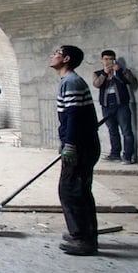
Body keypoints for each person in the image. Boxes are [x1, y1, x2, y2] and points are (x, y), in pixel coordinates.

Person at [49, 45, 101, 255]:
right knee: (79, 191)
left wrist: (70, 145)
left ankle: (83, 239)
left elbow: (74, 116)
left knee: (71, 191)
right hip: (83, 144)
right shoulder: (70, 81)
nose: (52, 57)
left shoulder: (71, 82)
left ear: (66, 59)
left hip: (80, 146)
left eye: (56, 54)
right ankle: (84, 233)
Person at [92, 49, 138, 163]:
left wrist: (121, 71)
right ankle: (115, 154)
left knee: (126, 130)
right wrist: (104, 73)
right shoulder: (97, 73)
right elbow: (97, 84)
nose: (108, 62)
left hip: (121, 105)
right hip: (107, 105)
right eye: (106, 59)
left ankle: (127, 156)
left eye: (111, 59)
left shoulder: (121, 71)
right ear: (102, 60)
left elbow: (131, 81)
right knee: (112, 131)